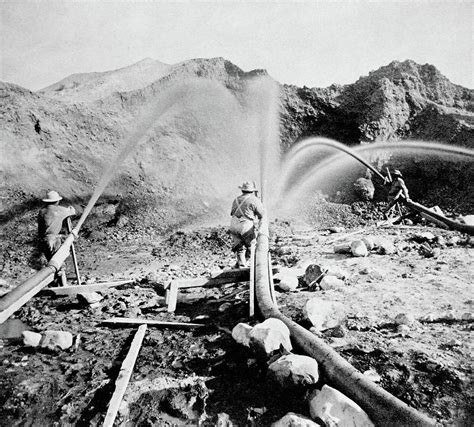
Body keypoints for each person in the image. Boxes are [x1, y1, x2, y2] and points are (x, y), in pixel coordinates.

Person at [38, 190, 76, 285]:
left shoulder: (42, 211)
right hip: (54, 239)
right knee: (58, 262)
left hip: (43, 239)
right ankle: (63, 284)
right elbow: (73, 212)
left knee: (51, 262)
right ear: (57, 201)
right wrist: (70, 208)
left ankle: (56, 283)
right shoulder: (60, 210)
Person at [229, 181, 265, 268]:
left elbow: (232, 213)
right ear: (252, 191)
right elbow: (261, 214)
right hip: (245, 225)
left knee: (239, 246)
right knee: (251, 245)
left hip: (234, 224)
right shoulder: (254, 200)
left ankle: (242, 264)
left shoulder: (236, 199)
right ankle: (252, 264)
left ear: (242, 190)